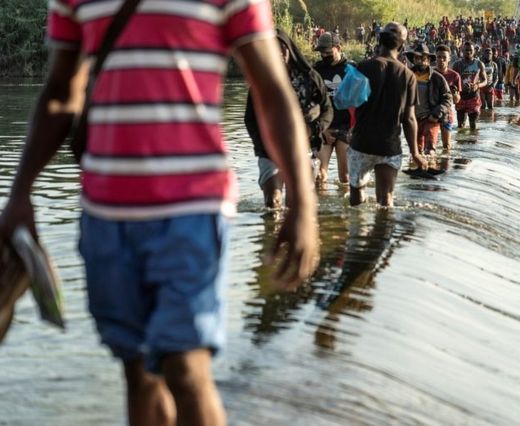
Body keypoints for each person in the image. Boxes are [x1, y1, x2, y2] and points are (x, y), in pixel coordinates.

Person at [0, 1, 320, 425]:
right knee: (137, 371)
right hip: (105, 212)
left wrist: (303, 203)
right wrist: (20, 193)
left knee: (186, 368)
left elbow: (273, 92)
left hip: (194, 208)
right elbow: (61, 93)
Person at [245, 29, 333, 208]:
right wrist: (260, 144)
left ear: (290, 49)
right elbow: (250, 118)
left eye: (282, 47)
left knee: (298, 204)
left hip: (303, 147)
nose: (278, 52)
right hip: (269, 149)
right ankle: (272, 234)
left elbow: (327, 109)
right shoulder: (261, 80)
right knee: (273, 201)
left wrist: (313, 129)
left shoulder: (310, 78)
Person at [348, 22, 428, 207]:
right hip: (388, 146)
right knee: (386, 201)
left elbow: (349, 103)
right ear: (402, 46)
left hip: (361, 143)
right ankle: (382, 234)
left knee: (357, 197)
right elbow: (409, 119)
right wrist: (415, 153)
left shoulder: (362, 68)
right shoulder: (408, 76)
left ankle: (357, 233)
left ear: (379, 40)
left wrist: (348, 128)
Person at [313, 32, 355, 184]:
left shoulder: (351, 69)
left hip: (346, 128)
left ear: (338, 48)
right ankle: (322, 207)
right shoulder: (316, 71)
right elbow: (312, 103)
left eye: (328, 52)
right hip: (324, 128)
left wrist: (354, 128)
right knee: (318, 176)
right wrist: (321, 129)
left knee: (345, 177)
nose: (324, 55)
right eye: (322, 52)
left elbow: (361, 102)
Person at [407, 43, 453, 156]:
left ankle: (431, 169)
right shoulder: (407, 76)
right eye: (417, 58)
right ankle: (416, 172)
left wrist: (437, 113)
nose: (420, 61)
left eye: (423, 58)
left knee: (430, 150)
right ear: (413, 59)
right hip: (413, 119)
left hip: (431, 118)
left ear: (428, 60)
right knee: (415, 152)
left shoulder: (437, 78)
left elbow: (447, 98)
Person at [452, 41, 487, 129]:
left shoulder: (479, 64)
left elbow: (485, 81)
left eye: (470, 50)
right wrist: (458, 87)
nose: (468, 52)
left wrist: (477, 86)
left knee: (473, 125)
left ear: (474, 51)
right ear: (462, 51)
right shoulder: (456, 65)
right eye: (466, 50)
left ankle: (473, 141)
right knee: (460, 126)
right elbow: (452, 82)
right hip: (461, 98)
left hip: (474, 97)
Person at [434, 44, 462, 152]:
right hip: (432, 112)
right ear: (435, 58)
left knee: (447, 146)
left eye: (444, 57)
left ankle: (445, 166)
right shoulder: (430, 74)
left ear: (449, 59)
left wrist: (454, 94)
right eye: (439, 57)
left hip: (447, 113)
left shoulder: (455, 76)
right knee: (430, 144)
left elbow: (457, 100)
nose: (441, 60)